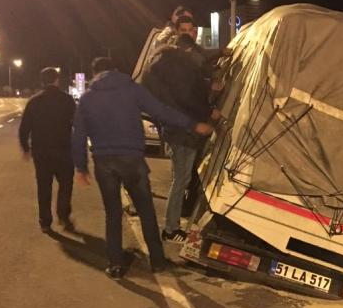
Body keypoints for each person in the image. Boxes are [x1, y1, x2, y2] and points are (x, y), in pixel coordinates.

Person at [72, 57, 213, 279]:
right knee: (146, 210)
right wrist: (193, 124)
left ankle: (115, 265)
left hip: (104, 162)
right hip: (133, 159)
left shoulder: (87, 98)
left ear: (94, 73)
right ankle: (157, 261)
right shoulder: (131, 89)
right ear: (115, 70)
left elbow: (78, 135)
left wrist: (81, 168)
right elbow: (161, 111)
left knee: (112, 214)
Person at [142, 34, 219, 242]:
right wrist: (207, 113)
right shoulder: (177, 66)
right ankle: (170, 229)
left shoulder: (158, 65)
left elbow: (173, 98)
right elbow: (186, 97)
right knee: (181, 181)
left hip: (172, 129)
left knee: (180, 179)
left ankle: (172, 225)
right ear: (186, 49)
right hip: (184, 131)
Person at [18, 67, 76, 232]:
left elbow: (24, 128)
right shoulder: (67, 100)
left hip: (41, 152)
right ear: (57, 80)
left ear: (42, 82)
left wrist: (25, 148)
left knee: (44, 186)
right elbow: (78, 123)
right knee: (66, 184)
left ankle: (45, 222)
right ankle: (63, 216)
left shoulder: (34, 102)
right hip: (64, 150)